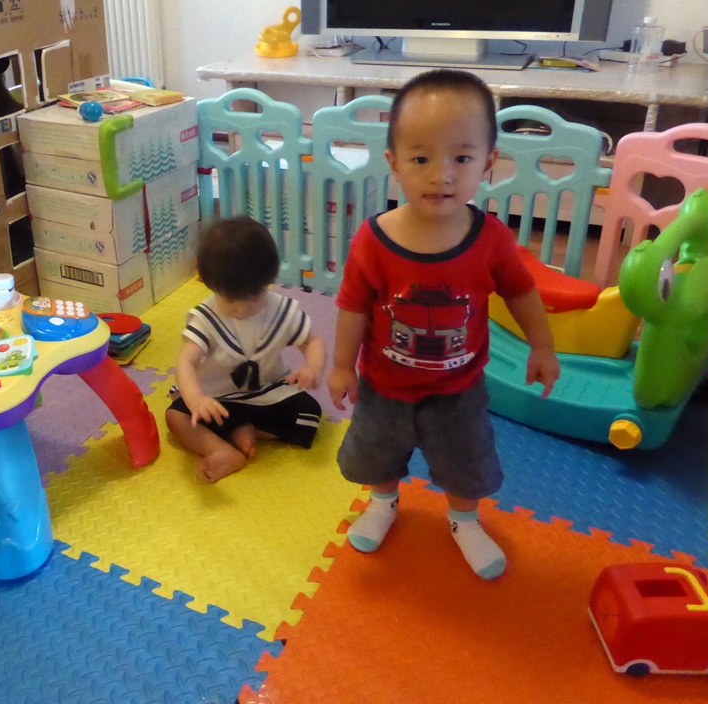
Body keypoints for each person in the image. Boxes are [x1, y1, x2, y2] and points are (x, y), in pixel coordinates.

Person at [328, 69, 560, 580]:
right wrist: (342, 365)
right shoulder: (373, 240)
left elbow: (522, 293)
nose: (442, 175)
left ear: (489, 162)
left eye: (461, 157)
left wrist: (542, 347)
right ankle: (384, 504)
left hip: (459, 387)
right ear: (393, 164)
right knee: (378, 455)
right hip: (386, 386)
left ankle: (464, 521)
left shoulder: (490, 238)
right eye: (421, 158)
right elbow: (352, 307)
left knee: (466, 461)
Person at [166, 216, 326, 483]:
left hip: (266, 393)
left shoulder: (282, 310)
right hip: (216, 399)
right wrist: (195, 398)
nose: (242, 310)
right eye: (231, 299)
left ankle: (242, 428)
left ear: (269, 279)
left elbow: (313, 341)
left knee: (311, 414)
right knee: (176, 417)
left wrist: (312, 367)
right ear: (208, 282)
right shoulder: (205, 317)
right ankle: (222, 448)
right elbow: (185, 362)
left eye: (253, 297)